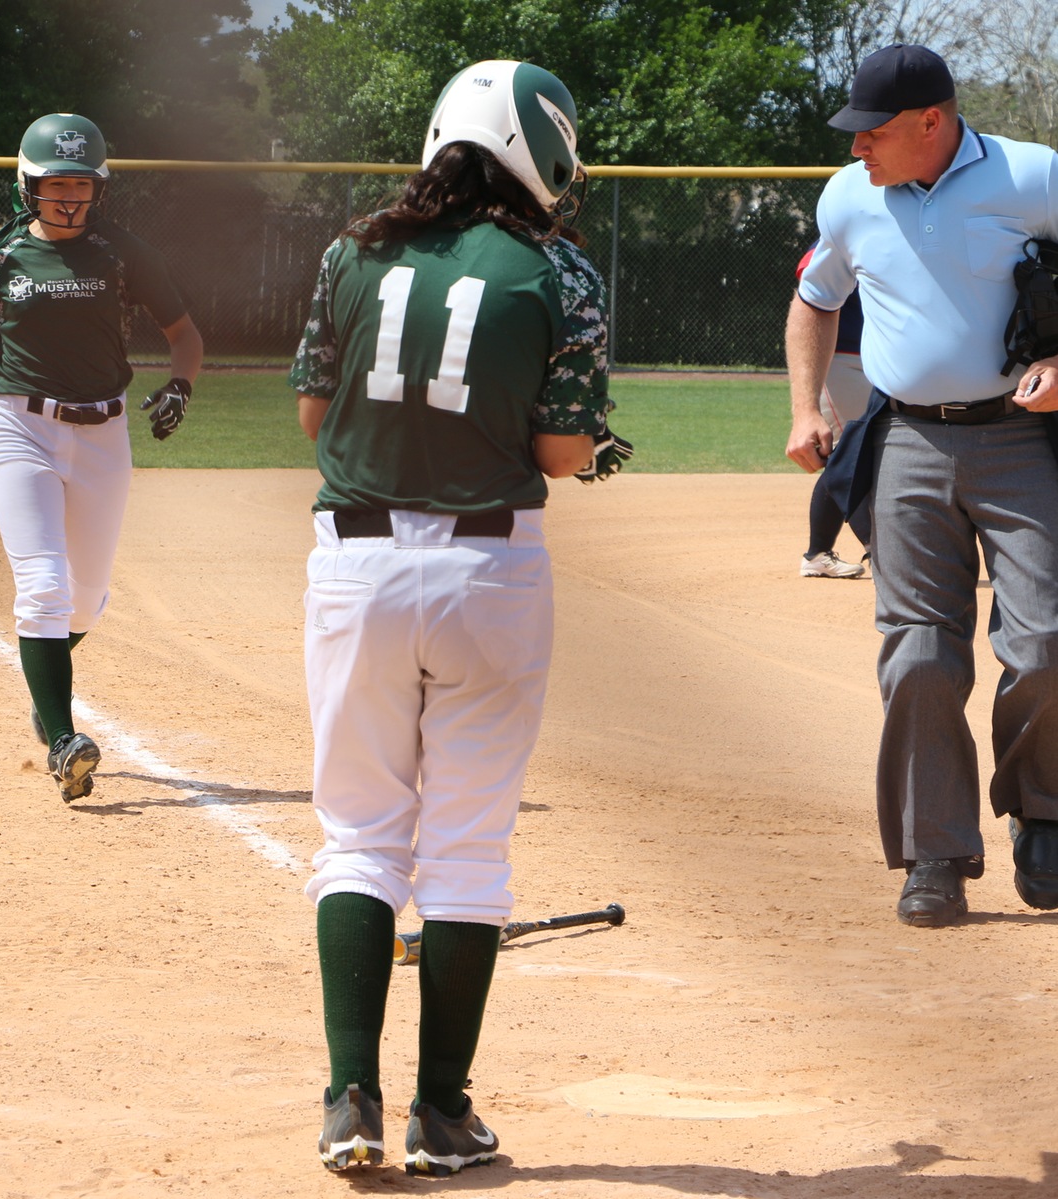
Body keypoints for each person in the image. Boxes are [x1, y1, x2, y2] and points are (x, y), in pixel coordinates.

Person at [290, 60, 623, 1174]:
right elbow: (561, 454)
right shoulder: (560, 273)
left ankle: (348, 1099)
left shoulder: (350, 249)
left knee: (357, 835)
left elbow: (308, 410)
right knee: (466, 847)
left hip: (358, 561)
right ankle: (442, 1112)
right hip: (488, 571)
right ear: (540, 154)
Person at [786, 44, 1058, 927]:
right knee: (917, 654)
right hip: (904, 439)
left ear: (930, 124)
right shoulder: (847, 195)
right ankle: (934, 851)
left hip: (1020, 438)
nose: (856, 147)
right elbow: (815, 296)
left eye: (872, 131)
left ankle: (1043, 815)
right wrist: (805, 401)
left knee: (1046, 640)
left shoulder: (1031, 175)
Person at [0, 113, 203, 803]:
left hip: (103, 432)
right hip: (20, 428)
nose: (68, 199)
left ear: (99, 190)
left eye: (80, 186)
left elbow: (185, 334)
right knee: (43, 586)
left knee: (86, 596)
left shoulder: (123, 254)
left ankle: (46, 692)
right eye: (54, 185)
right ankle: (64, 740)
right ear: (27, 188)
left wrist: (180, 384)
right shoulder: (1, 254)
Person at [794, 245, 870, 579]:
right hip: (837, 360)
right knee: (851, 459)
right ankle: (884, 551)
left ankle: (817, 553)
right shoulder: (840, 234)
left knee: (847, 461)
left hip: (873, 361)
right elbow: (807, 273)